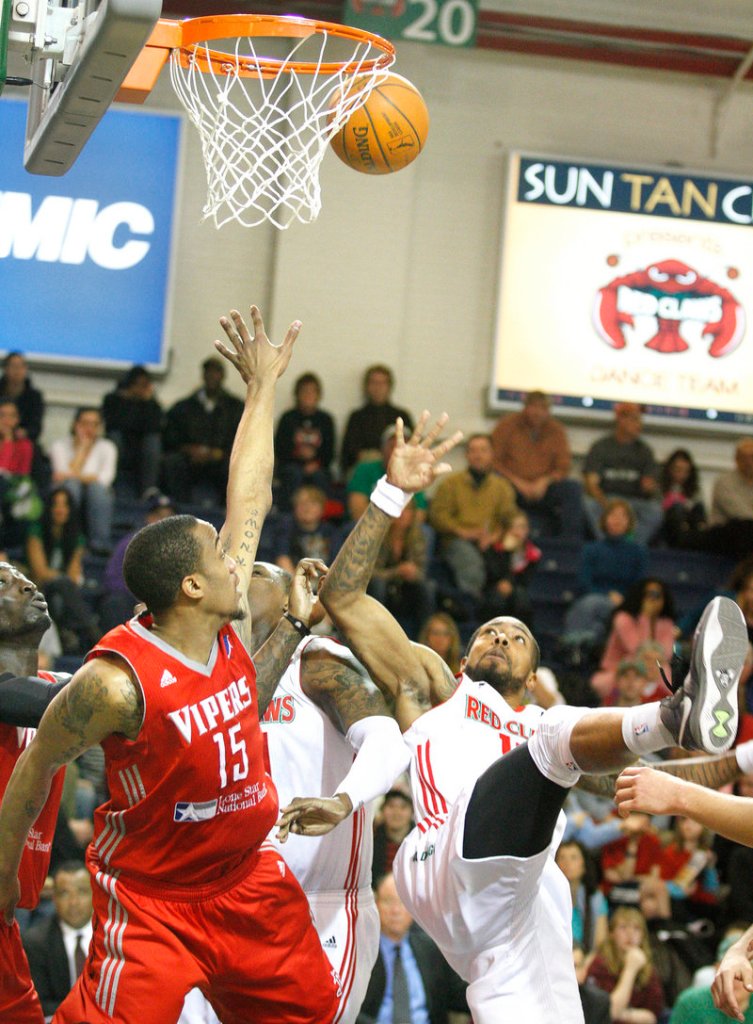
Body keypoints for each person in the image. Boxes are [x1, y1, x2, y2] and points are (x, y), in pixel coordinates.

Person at [284, 411, 748, 1024]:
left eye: (517, 637)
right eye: (488, 633)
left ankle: (677, 720)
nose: (500, 638)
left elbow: (656, 788)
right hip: (442, 860)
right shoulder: (434, 684)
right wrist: (391, 492)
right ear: (462, 654)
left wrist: (740, 760)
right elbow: (341, 598)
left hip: (512, 899)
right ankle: (671, 716)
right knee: (555, 736)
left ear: (531, 674)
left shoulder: (541, 727)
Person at [0, 305, 341, 1024]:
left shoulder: (222, 623)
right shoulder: (113, 682)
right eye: (219, 555)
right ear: (190, 586)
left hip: (249, 882)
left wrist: (262, 390)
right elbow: (34, 773)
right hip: (155, 901)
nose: (234, 557)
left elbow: (251, 493)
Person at [0, 562, 72, 1024]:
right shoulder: (59, 699)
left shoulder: (57, 689)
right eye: (3, 584)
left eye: (23, 577)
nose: (25, 584)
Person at [355, 872, 469, 1024]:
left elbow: (460, 994)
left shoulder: (431, 949)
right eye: (388, 902)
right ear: (376, 905)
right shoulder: (360, 952)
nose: (395, 911)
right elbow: (347, 1009)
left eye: (402, 902)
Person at [429, 433, 518, 607]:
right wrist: (462, 531)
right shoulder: (450, 484)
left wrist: (493, 536)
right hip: (457, 541)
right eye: (473, 450)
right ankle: (471, 607)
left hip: (491, 542)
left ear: (492, 454)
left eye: (483, 450)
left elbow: (510, 518)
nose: (478, 455)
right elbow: (437, 516)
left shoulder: (502, 487)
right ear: (467, 455)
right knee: (470, 562)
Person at [491, 390, 584, 539]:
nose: (538, 412)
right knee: (495, 484)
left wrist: (545, 481)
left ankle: (569, 543)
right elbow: (494, 461)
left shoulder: (557, 430)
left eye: (543, 408)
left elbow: (563, 466)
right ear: (525, 407)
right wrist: (518, 482)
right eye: (534, 407)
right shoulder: (507, 425)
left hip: (544, 488)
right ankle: (498, 538)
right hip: (512, 485)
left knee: (573, 488)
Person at [25, 486, 100, 655]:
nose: (60, 509)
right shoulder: (36, 531)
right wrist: (61, 578)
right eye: (56, 505)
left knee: (62, 592)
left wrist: (62, 579)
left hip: (61, 593)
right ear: (49, 508)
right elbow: (40, 572)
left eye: (64, 505)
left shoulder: (76, 537)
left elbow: (73, 577)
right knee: (62, 586)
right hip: (37, 589)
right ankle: (93, 632)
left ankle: (67, 634)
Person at [162, 355, 244, 505]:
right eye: (209, 372)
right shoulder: (184, 407)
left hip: (222, 459)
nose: (213, 376)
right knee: (173, 462)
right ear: (203, 375)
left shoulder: (236, 407)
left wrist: (221, 453)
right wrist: (188, 449)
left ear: (223, 376)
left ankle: (227, 510)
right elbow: (171, 435)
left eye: (217, 372)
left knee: (236, 467)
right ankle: (180, 507)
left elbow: (243, 438)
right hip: (190, 459)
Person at [582, 402, 662, 545]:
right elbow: (591, 484)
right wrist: (610, 507)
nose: (639, 425)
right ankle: (608, 544)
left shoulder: (644, 451)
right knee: (587, 504)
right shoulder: (602, 446)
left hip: (634, 502)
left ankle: (630, 547)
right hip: (607, 499)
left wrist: (650, 486)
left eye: (640, 420)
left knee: (655, 511)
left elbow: (649, 486)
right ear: (621, 420)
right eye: (634, 419)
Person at [22, 859, 93, 1020]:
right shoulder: (35, 942)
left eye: (81, 891)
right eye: (65, 893)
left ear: (94, 893)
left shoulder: (113, 938)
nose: (74, 902)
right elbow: (40, 1002)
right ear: (53, 898)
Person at [98, 490, 176, 633]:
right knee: (115, 602)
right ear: (149, 518)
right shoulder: (132, 543)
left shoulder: (181, 549)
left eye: (169, 517)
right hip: (131, 600)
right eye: (159, 516)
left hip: (162, 605)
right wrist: (140, 598)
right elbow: (112, 579)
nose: (164, 521)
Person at [591, 578, 676, 701]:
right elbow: (637, 649)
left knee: (663, 670)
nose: (653, 600)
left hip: (653, 669)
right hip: (622, 668)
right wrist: (645, 616)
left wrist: (652, 660)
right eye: (649, 595)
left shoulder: (666, 622)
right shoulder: (623, 618)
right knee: (636, 669)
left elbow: (666, 654)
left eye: (658, 596)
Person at [49, 407, 117, 555]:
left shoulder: (108, 447)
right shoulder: (59, 446)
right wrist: (81, 450)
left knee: (97, 490)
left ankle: (99, 544)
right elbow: (60, 475)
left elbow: (105, 479)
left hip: (97, 492)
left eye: (95, 424)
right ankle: (67, 538)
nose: (90, 428)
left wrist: (72, 475)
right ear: (75, 424)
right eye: (85, 423)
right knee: (72, 487)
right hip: (67, 491)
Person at [367, 498, 436, 637]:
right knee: (378, 585)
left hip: (406, 589)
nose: (403, 514)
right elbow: (368, 573)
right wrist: (396, 572)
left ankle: (424, 636)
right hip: (380, 587)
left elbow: (422, 571)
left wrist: (413, 573)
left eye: (408, 510)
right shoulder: (376, 535)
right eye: (400, 510)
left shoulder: (418, 537)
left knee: (427, 587)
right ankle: (376, 633)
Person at [585, 906, 665, 1024]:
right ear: (611, 933)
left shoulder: (647, 968)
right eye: (623, 928)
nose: (630, 934)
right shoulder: (599, 964)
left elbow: (652, 1016)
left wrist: (624, 1014)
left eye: (636, 929)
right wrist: (630, 969)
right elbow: (610, 1012)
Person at [274, 372, 336, 510]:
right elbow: (280, 449)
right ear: (297, 394)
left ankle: (323, 516)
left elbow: (330, 452)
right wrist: (300, 461)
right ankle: (287, 514)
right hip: (291, 466)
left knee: (321, 476)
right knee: (293, 474)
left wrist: (315, 463)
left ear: (319, 395)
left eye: (312, 391)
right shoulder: (287, 418)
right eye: (304, 391)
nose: (308, 395)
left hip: (318, 467)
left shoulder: (326, 420)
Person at [340, 365, 414, 479]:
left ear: (389, 386)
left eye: (382, 383)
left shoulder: (402, 416)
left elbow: (411, 449)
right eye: (373, 382)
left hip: (396, 470)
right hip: (365, 471)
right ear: (367, 386)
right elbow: (348, 453)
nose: (378, 388)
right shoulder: (357, 417)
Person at [102, 364, 164, 498]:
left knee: (153, 442)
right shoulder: (113, 400)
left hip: (141, 446)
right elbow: (114, 424)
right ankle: (111, 484)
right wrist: (131, 402)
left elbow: (154, 427)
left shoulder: (152, 405)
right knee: (114, 439)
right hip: (121, 442)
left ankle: (149, 489)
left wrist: (147, 403)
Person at [347, 424, 428, 523]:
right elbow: (357, 510)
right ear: (382, 449)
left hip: (403, 528)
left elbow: (420, 514)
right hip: (366, 525)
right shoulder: (365, 469)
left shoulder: (414, 475)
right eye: (392, 447)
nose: (398, 453)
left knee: (426, 533)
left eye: (403, 448)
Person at [706, 438, 753, 559]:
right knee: (744, 528)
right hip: (726, 533)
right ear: (737, 460)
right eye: (745, 457)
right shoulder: (725, 482)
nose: (749, 462)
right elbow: (740, 513)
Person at [659, 448, 707, 549]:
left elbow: (698, 508)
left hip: (689, 523)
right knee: (677, 508)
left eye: (686, 471)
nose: (682, 475)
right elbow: (657, 508)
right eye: (678, 470)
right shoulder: (660, 487)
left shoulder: (694, 490)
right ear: (670, 469)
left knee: (699, 508)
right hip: (667, 523)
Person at [372, 788, 415, 886]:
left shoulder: (421, 844)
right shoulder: (371, 844)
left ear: (412, 812)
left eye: (403, 807)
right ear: (382, 810)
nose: (397, 813)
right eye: (391, 806)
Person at [0, 351, 45, 442]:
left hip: (22, 440)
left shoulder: (34, 397)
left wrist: (24, 432)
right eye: (13, 366)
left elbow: (36, 427)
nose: (17, 370)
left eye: (21, 366)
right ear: (6, 369)